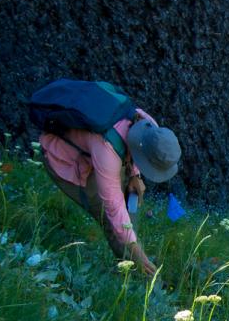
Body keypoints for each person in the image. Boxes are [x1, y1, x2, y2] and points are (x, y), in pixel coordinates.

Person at [40, 106, 181, 278]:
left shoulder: (149, 125)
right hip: (65, 158)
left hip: (96, 153)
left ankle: (132, 251)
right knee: (110, 219)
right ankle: (135, 275)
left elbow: (136, 145)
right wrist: (135, 250)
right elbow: (113, 207)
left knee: (131, 200)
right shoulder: (107, 152)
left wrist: (135, 175)